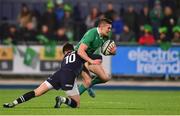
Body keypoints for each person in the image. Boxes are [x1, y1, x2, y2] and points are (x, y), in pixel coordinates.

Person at [3, 43, 86, 108]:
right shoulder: (79, 53)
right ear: (72, 49)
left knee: (36, 92)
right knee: (76, 104)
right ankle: (63, 99)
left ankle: (13, 103)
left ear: (64, 52)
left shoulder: (64, 58)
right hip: (69, 76)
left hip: (57, 74)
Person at [76, 18, 116, 97]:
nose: (110, 30)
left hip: (87, 57)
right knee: (87, 81)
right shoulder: (92, 33)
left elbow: (105, 51)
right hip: (78, 57)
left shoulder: (105, 37)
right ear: (101, 26)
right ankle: (73, 98)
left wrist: (113, 52)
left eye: (110, 28)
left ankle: (88, 86)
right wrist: (91, 61)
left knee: (106, 78)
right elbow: (80, 51)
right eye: (108, 28)